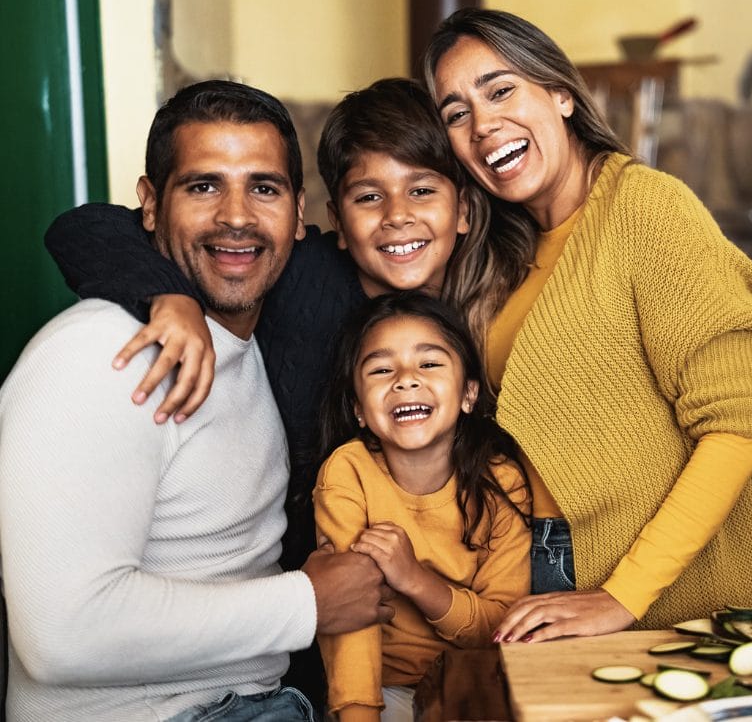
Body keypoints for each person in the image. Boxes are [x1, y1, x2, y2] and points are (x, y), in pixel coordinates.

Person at [40, 78, 511, 705]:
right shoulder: (298, 276)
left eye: (422, 190)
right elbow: (88, 226)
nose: (398, 215)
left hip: (435, 614)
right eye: (370, 197)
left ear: (464, 210)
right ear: (330, 221)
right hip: (293, 631)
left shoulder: (485, 307)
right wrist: (166, 291)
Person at [0, 80, 390, 721]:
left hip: (261, 699)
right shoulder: (99, 356)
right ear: (149, 207)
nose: (235, 215)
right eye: (203, 186)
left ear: (299, 215)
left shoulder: (276, 324)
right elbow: (61, 635)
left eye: (263, 188)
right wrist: (307, 604)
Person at [422, 8, 752, 641]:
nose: (483, 126)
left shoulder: (647, 210)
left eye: (500, 89)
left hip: (663, 596)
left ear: (560, 93)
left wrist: (623, 595)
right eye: (456, 113)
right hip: (537, 569)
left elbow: (736, 422)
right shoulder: (498, 252)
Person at [314, 291, 530, 722]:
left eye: (429, 363)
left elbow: (501, 627)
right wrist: (360, 715)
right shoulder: (348, 472)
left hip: (476, 678)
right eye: (380, 369)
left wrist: (414, 580)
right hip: (380, 689)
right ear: (358, 409)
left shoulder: (501, 482)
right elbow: (346, 616)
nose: (406, 379)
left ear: (469, 393)